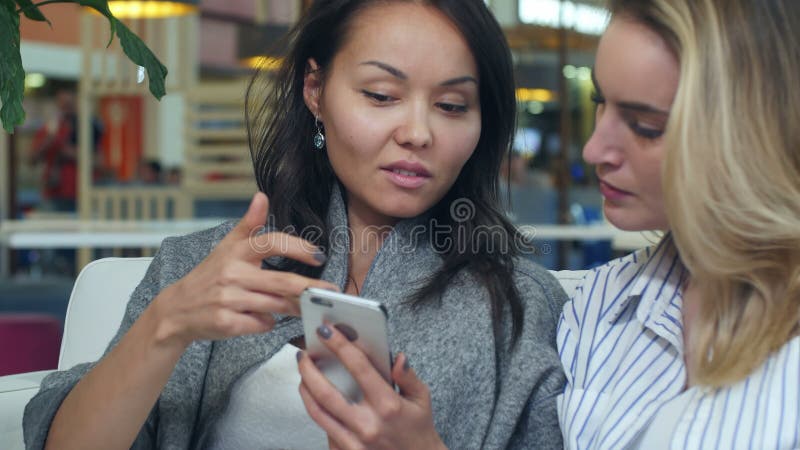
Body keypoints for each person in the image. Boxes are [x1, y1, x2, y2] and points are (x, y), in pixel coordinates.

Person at [24, 1, 568, 449]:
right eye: (381, 95)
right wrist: (167, 324)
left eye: (452, 105)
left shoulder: (518, 304)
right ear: (315, 91)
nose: (418, 132)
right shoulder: (200, 269)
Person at [557, 0, 800, 448]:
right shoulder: (598, 306)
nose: (594, 150)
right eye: (599, 102)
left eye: (646, 126)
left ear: (748, 132)